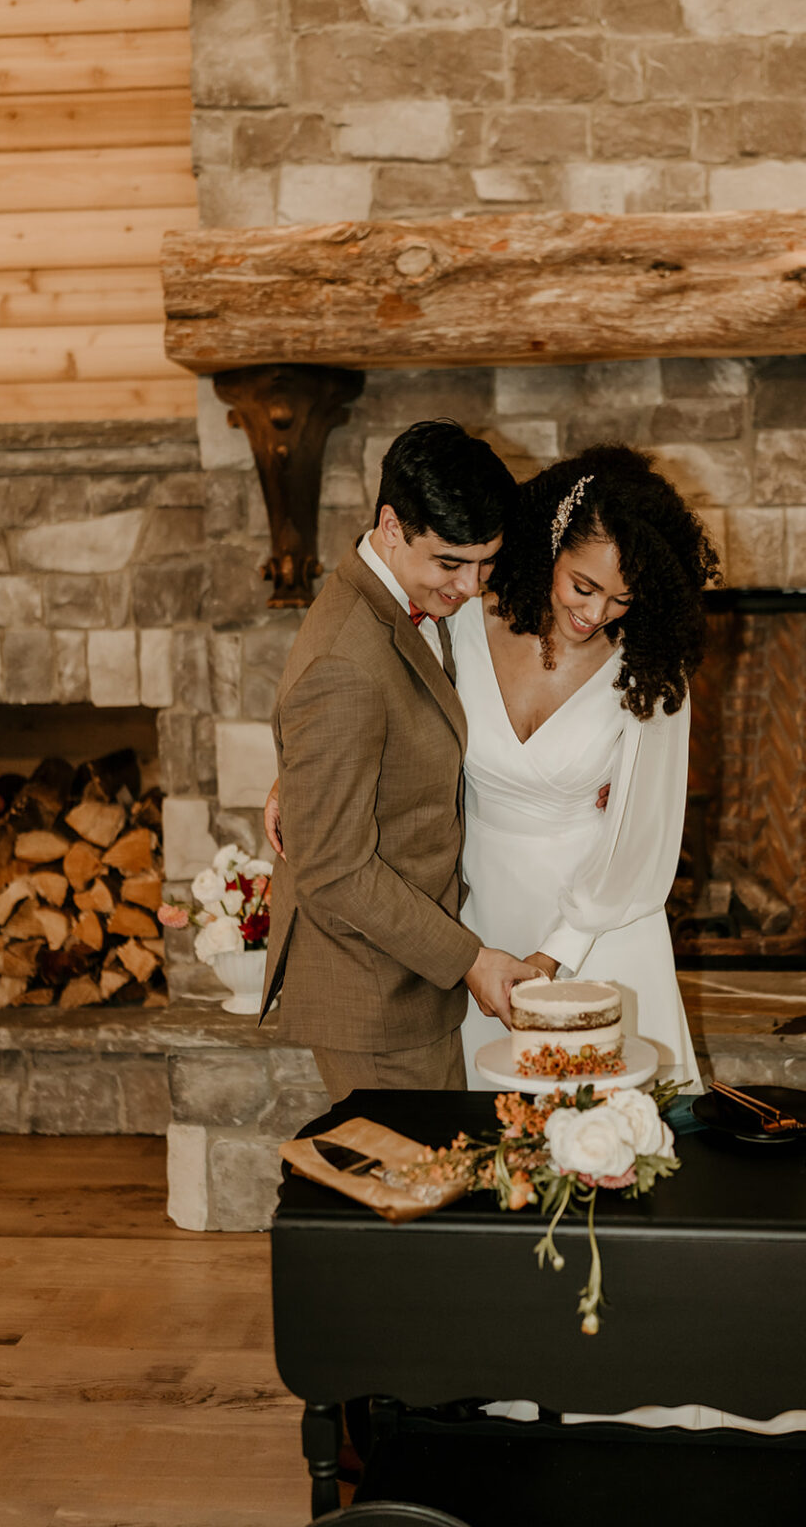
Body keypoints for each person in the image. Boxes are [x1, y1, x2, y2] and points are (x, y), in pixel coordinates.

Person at [260, 419, 534, 1103]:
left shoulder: (399, 597)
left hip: (403, 979)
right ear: (390, 526)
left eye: (485, 562)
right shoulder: (347, 660)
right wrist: (471, 960)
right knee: (413, 1198)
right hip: (377, 997)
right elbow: (336, 868)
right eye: (451, 563)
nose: (472, 587)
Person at [450, 444, 718, 1090]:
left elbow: (644, 844)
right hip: (480, 930)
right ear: (550, 545)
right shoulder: (459, 620)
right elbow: (382, 716)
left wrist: (553, 959)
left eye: (621, 599)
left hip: (601, 929)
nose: (595, 614)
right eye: (584, 585)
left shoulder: (649, 670)